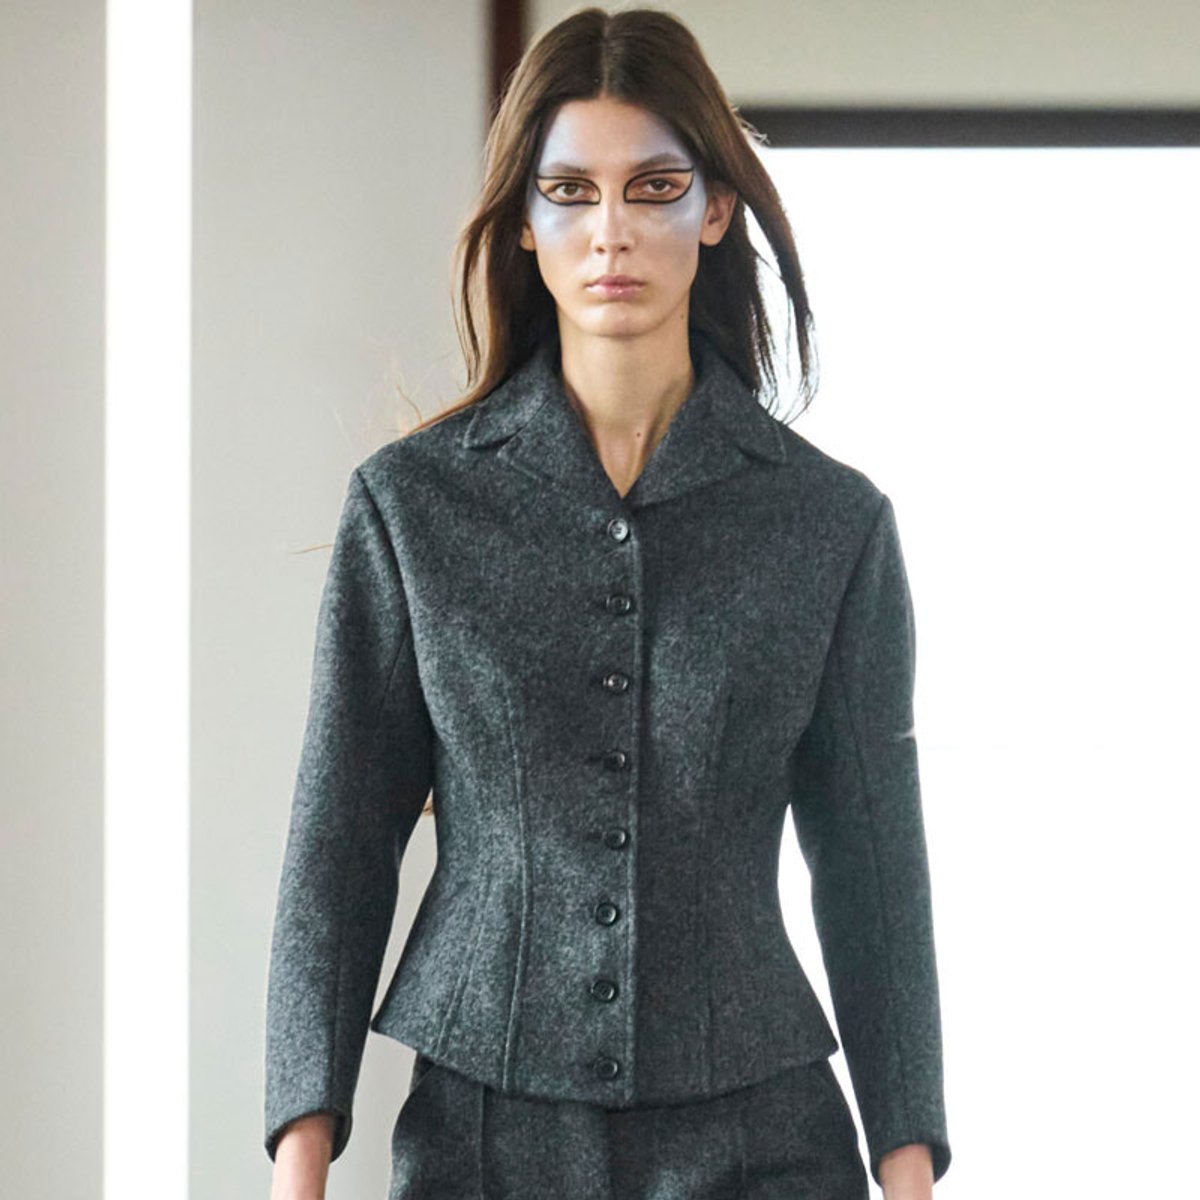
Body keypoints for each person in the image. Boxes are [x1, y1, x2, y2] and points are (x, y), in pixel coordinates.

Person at [264, 8, 951, 1199]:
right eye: (571, 191)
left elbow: (873, 864)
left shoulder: (832, 526)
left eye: (656, 186)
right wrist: (300, 1163)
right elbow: (340, 841)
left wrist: (910, 1170)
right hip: (482, 1143)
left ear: (717, 208)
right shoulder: (411, 510)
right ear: (524, 223)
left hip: (765, 1142)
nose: (612, 232)